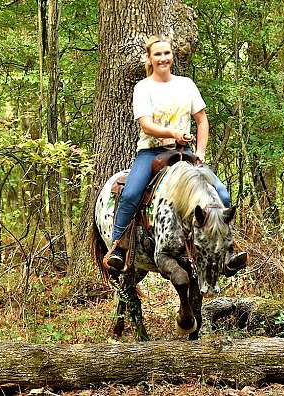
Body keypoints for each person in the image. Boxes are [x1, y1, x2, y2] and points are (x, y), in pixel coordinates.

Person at [105, 35, 245, 271]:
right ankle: (118, 246)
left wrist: (200, 152)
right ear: (149, 59)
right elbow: (146, 125)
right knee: (130, 194)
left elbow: (202, 120)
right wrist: (172, 132)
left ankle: (227, 250)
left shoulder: (186, 85)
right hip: (151, 152)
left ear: (172, 56)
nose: (163, 58)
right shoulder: (143, 88)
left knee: (222, 194)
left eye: (167, 53)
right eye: (157, 54)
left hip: (185, 152)